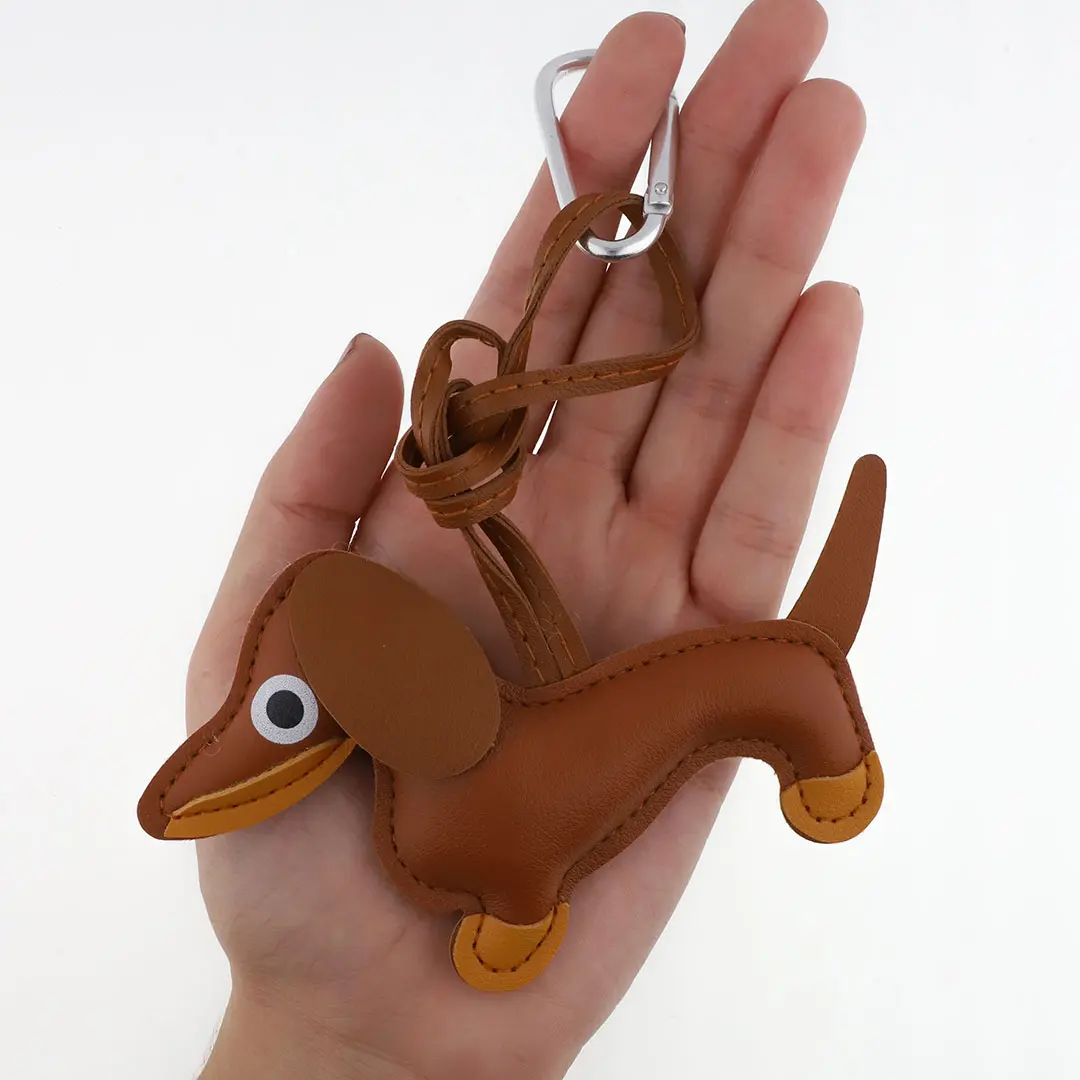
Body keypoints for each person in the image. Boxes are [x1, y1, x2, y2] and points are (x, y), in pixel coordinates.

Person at [191, 2, 865, 1076]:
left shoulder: (445, 810)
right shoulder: (426, 822)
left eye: (284, 708)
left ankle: (820, 725)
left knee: (741, 681)